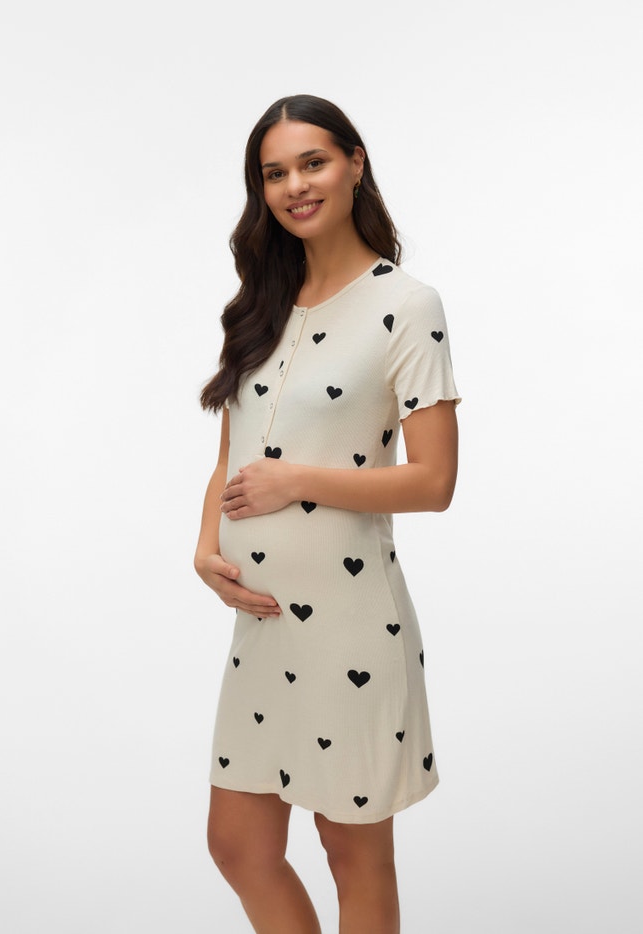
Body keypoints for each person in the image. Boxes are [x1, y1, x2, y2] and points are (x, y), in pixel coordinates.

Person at [194, 94, 460, 934]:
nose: (295, 186)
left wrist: (298, 482)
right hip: (263, 626)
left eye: (312, 163)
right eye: (274, 173)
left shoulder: (406, 305)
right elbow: (232, 452)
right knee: (238, 844)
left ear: (355, 163)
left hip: (350, 625)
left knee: (352, 852)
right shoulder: (261, 303)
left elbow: (434, 481)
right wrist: (206, 547)